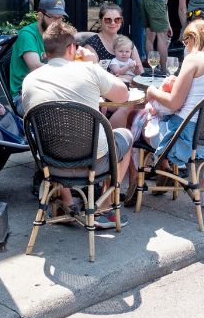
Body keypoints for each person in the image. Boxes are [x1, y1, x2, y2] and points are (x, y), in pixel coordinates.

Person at [20, 21, 134, 230]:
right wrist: (94, 63)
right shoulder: (89, 70)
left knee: (57, 136)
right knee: (125, 134)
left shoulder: (29, 80)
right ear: (72, 48)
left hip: (51, 163)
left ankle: (69, 204)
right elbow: (123, 95)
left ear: (46, 51)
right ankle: (103, 207)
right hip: (92, 162)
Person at [142, 19, 204, 168]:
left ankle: (151, 175)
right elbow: (197, 94)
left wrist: (151, 91)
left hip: (182, 139)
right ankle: (164, 172)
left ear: (194, 37)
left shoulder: (193, 59)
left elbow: (174, 103)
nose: (186, 46)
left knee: (138, 121)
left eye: (186, 41)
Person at [10, 0, 68, 101]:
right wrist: (68, 72)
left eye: (60, 18)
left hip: (49, 89)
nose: (58, 22)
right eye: (54, 18)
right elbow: (35, 66)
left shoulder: (53, 32)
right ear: (40, 16)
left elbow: (75, 37)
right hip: (25, 94)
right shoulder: (27, 34)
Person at [140, 0, 190, 74]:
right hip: (155, 0)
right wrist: (186, 27)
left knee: (149, 36)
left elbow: (164, 4)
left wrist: (168, 24)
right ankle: (164, 71)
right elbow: (182, 7)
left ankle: (152, 69)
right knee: (162, 38)